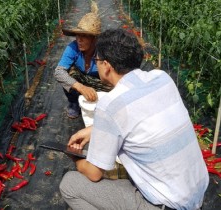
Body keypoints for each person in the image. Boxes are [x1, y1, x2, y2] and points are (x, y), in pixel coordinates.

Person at [59, 29, 209, 210]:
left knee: (70, 184)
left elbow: (94, 173)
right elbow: (142, 113)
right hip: (197, 196)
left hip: (167, 205)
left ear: (106, 66)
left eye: (98, 60)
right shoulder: (162, 78)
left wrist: (73, 156)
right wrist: (93, 130)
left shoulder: (110, 106)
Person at [54, 11, 112, 119]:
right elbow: (58, 72)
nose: (79, 40)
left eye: (84, 36)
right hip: (80, 79)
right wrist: (81, 87)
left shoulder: (104, 51)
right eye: (78, 35)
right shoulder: (73, 48)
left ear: (94, 39)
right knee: (69, 74)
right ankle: (74, 102)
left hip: (99, 80)